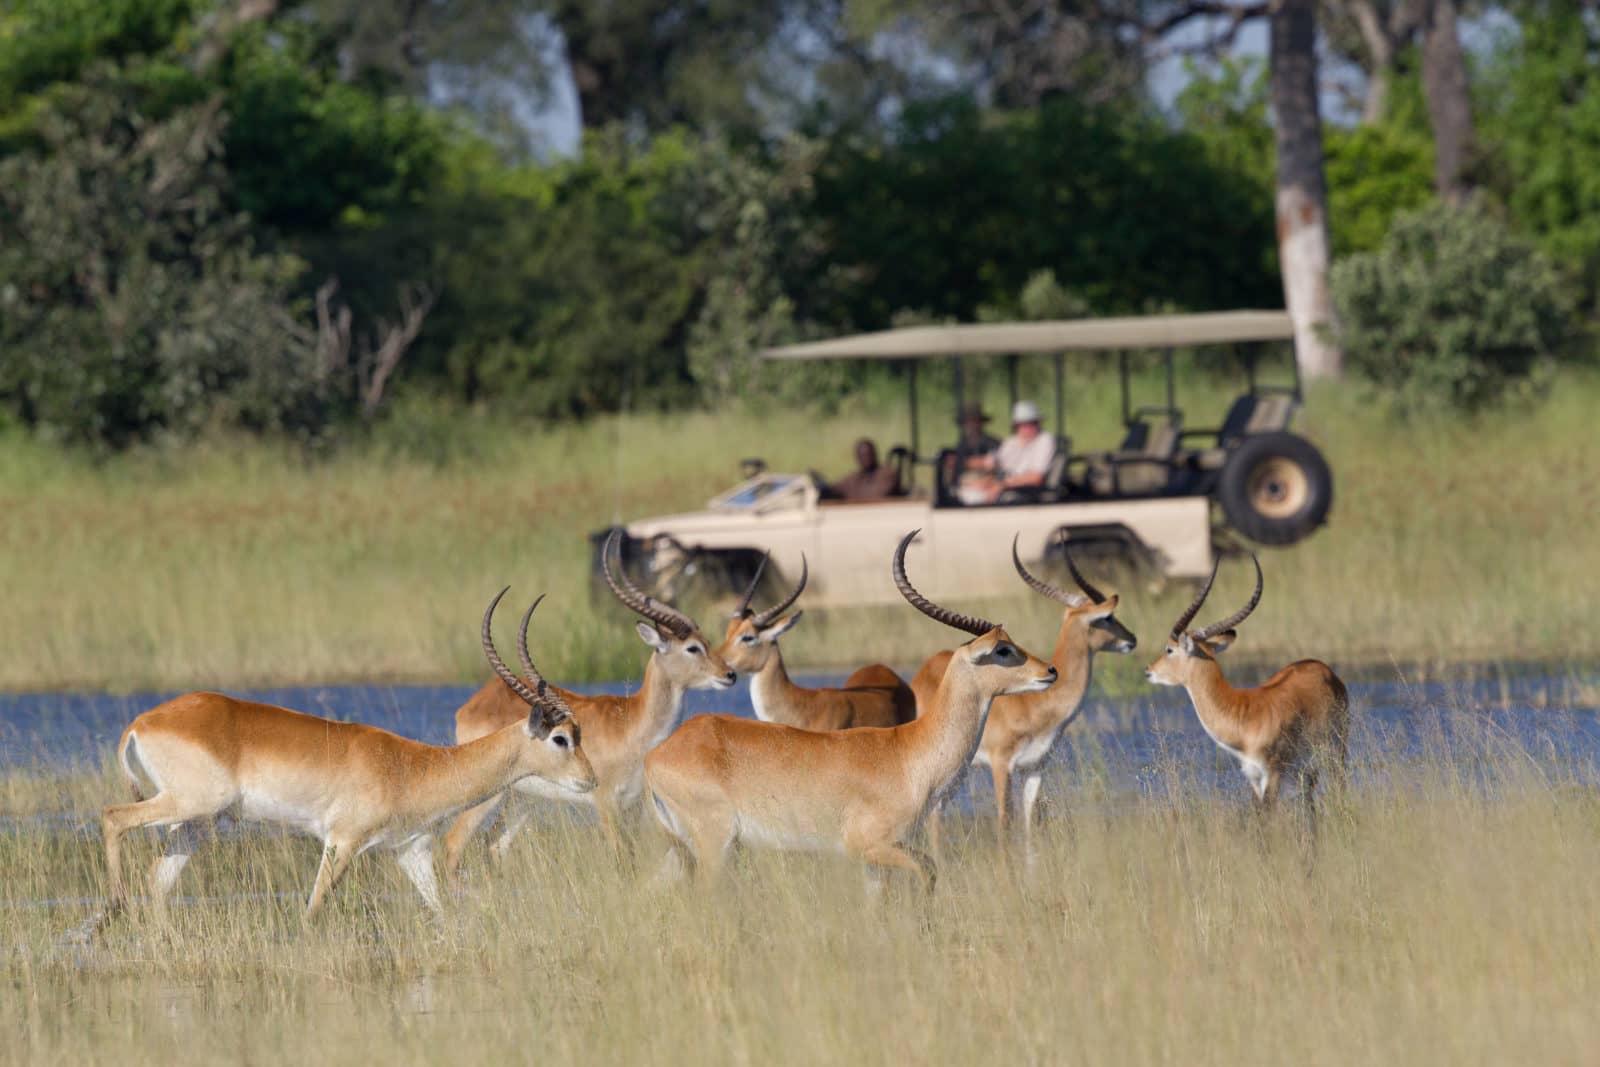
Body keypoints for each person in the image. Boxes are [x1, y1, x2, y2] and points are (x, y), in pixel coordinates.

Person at [957, 400, 1056, 505]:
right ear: (1016, 426)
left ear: (1038, 423)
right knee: (966, 492)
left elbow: (1036, 478)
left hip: (1024, 491)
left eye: (1031, 423)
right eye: (1022, 424)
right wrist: (962, 462)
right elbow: (992, 462)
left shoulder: (1044, 441)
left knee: (977, 498)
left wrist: (1001, 485)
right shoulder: (1011, 443)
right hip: (1004, 485)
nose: (1026, 428)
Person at [823, 438, 903, 501]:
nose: (865, 458)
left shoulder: (887, 474)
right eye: (862, 455)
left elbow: (877, 496)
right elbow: (837, 488)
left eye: (867, 454)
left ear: (874, 454)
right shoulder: (855, 477)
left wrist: (852, 496)